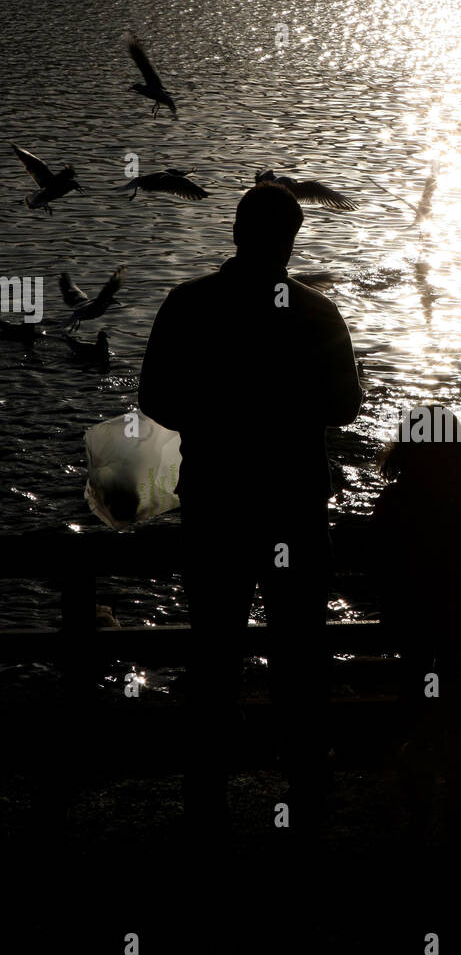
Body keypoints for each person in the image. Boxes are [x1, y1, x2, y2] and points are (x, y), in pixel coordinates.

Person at [139, 182, 362, 833]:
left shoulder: (188, 304)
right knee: (300, 644)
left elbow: (156, 396)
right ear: (293, 238)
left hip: (217, 500)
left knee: (213, 647)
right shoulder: (317, 314)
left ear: (236, 233)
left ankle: (205, 788)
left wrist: (212, 422)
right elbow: (345, 407)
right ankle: (306, 778)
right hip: (292, 501)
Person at [371, 405, 461, 841]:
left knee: (415, 691)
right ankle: (457, 782)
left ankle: (418, 797)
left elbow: (379, 563)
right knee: (453, 688)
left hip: (408, 613)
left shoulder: (394, 499)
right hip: (457, 611)